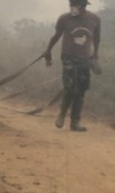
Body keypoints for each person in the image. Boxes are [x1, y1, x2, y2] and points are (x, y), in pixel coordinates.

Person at [44, 0, 101, 132]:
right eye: (71, 5)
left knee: (81, 89)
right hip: (68, 56)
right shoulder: (64, 19)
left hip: (85, 58)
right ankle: (62, 114)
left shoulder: (95, 19)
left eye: (76, 5)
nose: (73, 8)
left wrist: (95, 54)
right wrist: (48, 50)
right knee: (70, 86)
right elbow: (57, 35)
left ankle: (75, 122)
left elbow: (97, 38)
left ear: (84, 6)